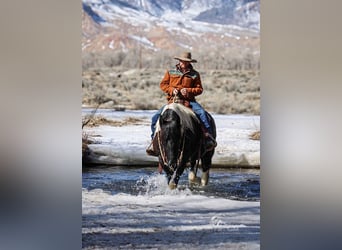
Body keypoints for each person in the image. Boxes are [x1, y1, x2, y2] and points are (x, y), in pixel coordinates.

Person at [146, 52, 217, 156]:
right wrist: (172, 90)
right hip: (173, 101)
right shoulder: (170, 72)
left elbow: (199, 89)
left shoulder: (195, 74)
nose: (184, 63)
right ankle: (154, 142)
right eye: (182, 61)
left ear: (189, 62)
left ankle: (208, 138)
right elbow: (163, 85)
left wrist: (188, 91)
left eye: (186, 61)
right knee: (155, 118)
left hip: (189, 102)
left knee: (202, 114)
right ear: (179, 61)